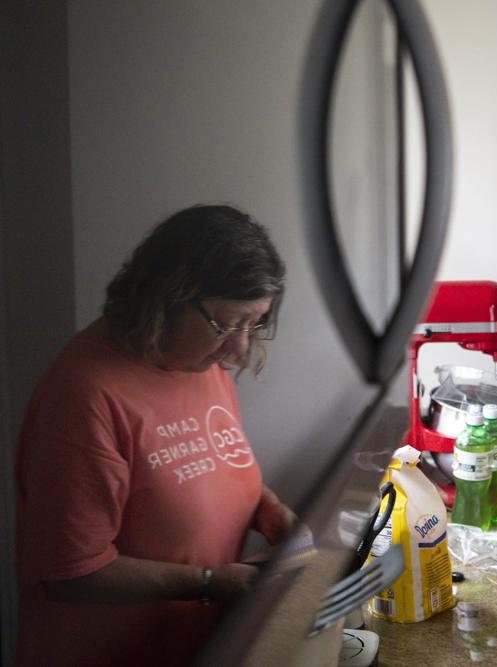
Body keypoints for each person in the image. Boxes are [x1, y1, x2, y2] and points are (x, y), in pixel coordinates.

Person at [16, 204, 298, 666]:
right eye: (227, 324)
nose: (240, 347)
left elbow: (208, 469)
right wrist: (211, 582)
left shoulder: (199, 363)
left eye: (253, 324)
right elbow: (70, 572)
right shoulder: (85, 393)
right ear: (165, 297)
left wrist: (272, 515)